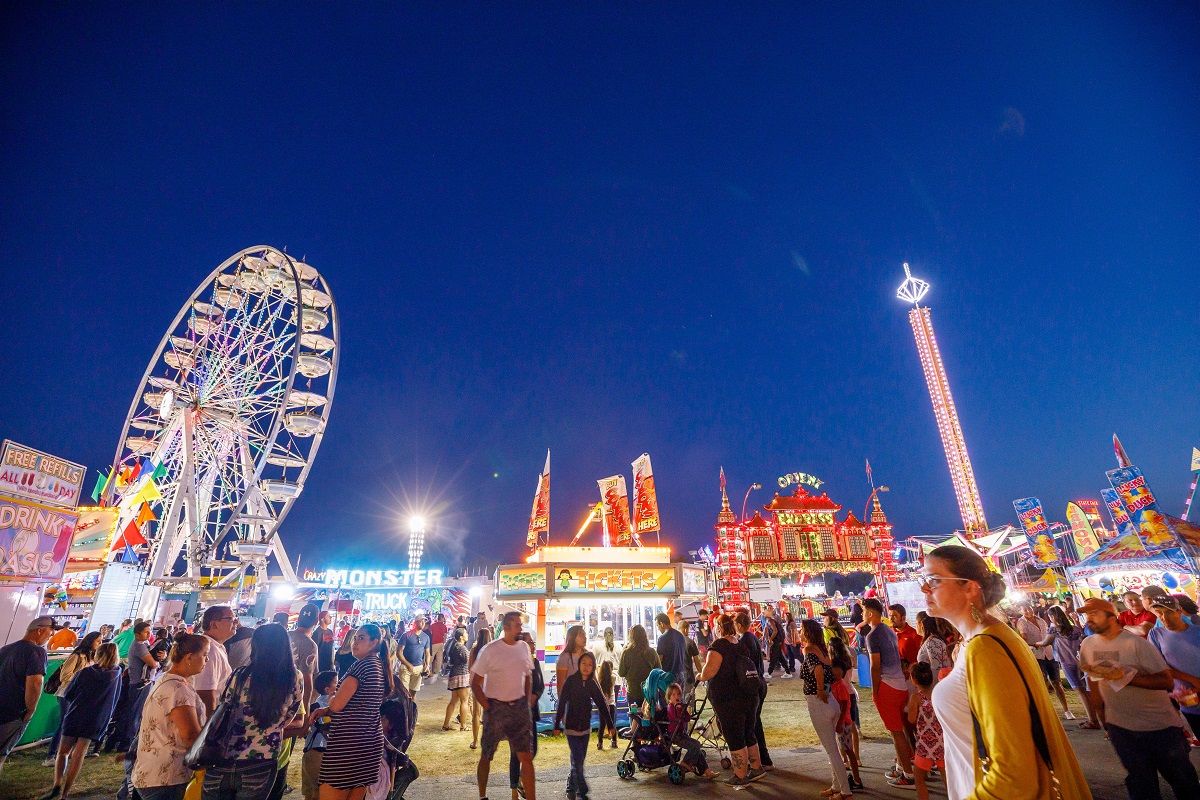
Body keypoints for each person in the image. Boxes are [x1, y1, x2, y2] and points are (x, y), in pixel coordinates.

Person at [922, 544, 1089, 800]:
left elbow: (1014, 776)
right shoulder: (984, 639)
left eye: (933, 580)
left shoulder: (986, 648)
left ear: (969, 587)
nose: (924, 588)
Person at [1077, 596, 1200, 799]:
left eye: (1094, 614)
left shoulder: (1135, 644)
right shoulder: (1088, 645)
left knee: (1184, 783)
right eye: (1087, 615)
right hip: (1121, 728)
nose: (1089, 619)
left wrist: (1125, 677)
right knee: (1141, 785)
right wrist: (1102, 717)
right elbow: (1093, 679)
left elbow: (1166, 682)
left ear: (1111, 617)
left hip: (1160, 728)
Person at [202, 624, 303, 800]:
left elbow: (224, 708)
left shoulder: (239, 675)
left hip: (223, 756)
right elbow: (288, 718)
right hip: (262, 758)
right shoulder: (294, 678)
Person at [132, 632, 210, 800]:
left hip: (153, 771)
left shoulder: (168, 680)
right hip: (168, 776)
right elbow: (190, 735)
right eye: (204, 655)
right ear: (189, 657)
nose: (207, 660)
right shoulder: (178, 689)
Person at [319, 624, 392, 800]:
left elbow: (337, 705)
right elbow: (360, 702)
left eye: (361, 638)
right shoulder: (378, 666)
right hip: (369, 744)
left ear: (374, 642)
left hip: (348, 746)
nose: (355, 642)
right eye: (355, 638)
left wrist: (331, 695)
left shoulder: (360, 667)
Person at [470, 611, 537, 800]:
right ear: (506, 628)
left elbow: (527, 674)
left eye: (520, 624)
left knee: (526, 756)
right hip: (496, 707)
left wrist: (525, 699)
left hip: (518, 708)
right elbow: (475, 682)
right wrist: (488, 706)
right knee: (487, 753)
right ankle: (482, 795)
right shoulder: (491, 650)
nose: (520, 628)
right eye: (517, 624)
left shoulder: (524, 647)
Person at [43, 641, 122, 800]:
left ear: (98, 655)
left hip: (76, 714)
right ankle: (65, 793)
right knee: (78, 755)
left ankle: (57, 785)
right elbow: (116, 698)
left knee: (63, 752)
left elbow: (69, 693)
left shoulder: (84, 673)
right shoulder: (117, 674)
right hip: (97, 719)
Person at [696, 613, 763, 786]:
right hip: (749, 695)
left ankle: (740, 775)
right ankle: (756, 768)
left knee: (735, 736)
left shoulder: (719, 646)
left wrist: (700, 676)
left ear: (718, 628)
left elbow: (709, 671)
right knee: (749, 733)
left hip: (729, 699)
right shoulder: (739, 644)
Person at [861, 598, 915, 788]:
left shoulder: (872, 635)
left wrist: (875, 690)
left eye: (863, 612)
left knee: (896, 732)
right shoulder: (889, 631)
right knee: (899, 730)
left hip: (888, 687)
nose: (861, 615)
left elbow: (875, 666)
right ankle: (902, 767)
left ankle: (909, 775)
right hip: (900, 685)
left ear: (870, 614)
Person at [800, 618, 851, 799]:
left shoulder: (809, 650)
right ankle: (836, 785)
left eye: (801, 629)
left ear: (807, 633)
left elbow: (818, 670)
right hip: (831, 703)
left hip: (818, 702)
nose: (799, 632)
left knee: (832, 750)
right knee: (833, 747)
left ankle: (845, 790)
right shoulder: (823, 650)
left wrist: (820, 689)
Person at [552, 651, 613, 800]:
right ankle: (582, 788)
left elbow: (602, 704)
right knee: (577, 758)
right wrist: (557, 725)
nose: (586, 667)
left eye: (590, 664)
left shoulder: (592, 683)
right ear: (579, 664)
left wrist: (610, 725)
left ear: (593, 667)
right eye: (583, 663)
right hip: (571, 728)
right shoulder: (571, 681)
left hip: (585, 729)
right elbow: (562, 703)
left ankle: (571, 787)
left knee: (578, 759)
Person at [0, 615, 54, 776]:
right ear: (40, 631)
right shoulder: (36, 652)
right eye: (49, 634)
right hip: (13, 713)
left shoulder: (5, 649)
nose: (49, 638)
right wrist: (30, 711)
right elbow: (35, 683)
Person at [43, 632, 101, 766]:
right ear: (90, 641)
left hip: (80, 695)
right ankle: (51, 755)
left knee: (71, 724)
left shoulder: (92, 658)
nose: (100, 644)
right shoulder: (77, 656)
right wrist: (81, 683)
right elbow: (65, 676)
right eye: (98, 641)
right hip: (67, 694)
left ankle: (62, 752)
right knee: (64, 723)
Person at [1147, 594, 1200, 738]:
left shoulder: (1197, 632)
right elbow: (1158, 666)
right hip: (1186, 696)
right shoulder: (1155, 634)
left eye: (1169, 612)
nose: (1164, 618)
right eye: (1159, 613)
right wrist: (1192, 680)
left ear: (1179, 611)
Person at [1015, 604, 1074, 719]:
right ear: (1021, 611)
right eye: (1025, 610)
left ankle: (1067, 710)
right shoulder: (1022, 622)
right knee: (1043, 682)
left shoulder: (1041, 620)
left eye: (1029, 608)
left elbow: (1049, 636)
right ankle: (1046, 711)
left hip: (1049, 654)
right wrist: (1029, 643)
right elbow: (1023, 637)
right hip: (1037, 655)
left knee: (1057, 682)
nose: (1028, 611)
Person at [1047, 605, 1099, 729]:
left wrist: (1033, 644)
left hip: (1067, 662)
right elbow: (1081, 638)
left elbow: (1046, 642)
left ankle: (1093, 720)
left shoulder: (1054, 630)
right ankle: (1095, 718)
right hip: (1080, 660)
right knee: (1087, 691)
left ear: (1052, 617)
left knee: (1079, 690)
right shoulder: (1074, 629)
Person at [733, 611, 772, 770]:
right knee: (755, 721)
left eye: (735, 624)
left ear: (740, 625)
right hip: (760, 682)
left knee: (753, 723)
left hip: (753, 685)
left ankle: (762, 759)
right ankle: (763, 758)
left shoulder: (744, 641)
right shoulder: (753, 638)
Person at [508, 631, 544, 800]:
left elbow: (540, 685)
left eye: (533, 642)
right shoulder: (512, 663)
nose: (533, 645)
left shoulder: (535, 662)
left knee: (533, 749)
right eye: (530, 642)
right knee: (515, 753)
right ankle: (514, 791)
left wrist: (535, 695)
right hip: (515, 714)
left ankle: (522, 777)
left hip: (531, 712)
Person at [828, 638, 862, 791]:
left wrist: (840, 723)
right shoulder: (846, 661)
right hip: (845, 715)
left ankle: (855, 776)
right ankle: (852, 767)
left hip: (843, 722)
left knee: (846, 746)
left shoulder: (840, 686)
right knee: (848, 740)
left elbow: (843, 706)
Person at [907, 662, 943, 800]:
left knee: (919, 778)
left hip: (924, 744)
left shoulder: (916, 698)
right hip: (940, 741)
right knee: (947, 779)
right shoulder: (937, 695)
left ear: (914, 680)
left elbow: (911, 719)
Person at [664, 683, 718, 778]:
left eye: (678, 694)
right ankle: (685, 762)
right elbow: (676, 719)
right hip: (675, 735)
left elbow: (687, 718)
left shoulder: (680, 706)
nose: (677, 697)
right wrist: (679, 710)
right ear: (669, 698)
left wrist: (683, 710)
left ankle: (707, 771)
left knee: (697, 747)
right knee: (695, 746)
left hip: (682, 734)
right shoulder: (671, 707)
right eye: (673, 695)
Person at [301, 671, 338, 800]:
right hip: (320, 754)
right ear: (327, 690)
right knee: (320, 792)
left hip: (311, 753)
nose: (339, 686)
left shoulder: (314, 705)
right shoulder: (322, 707)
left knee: (310, 792)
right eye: (336, 683)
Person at [195, 606, 236, 716]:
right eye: (230, 619)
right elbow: (205, 693)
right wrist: (210, 727)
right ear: (213, 624)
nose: (236, 622)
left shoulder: (217, 647)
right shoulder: (210, 649)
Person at [618, 625, 659, 708]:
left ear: (631, 637)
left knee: (634, 717)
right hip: (649, 691)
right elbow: (658, 671)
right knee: (649, 716)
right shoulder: (652, 652)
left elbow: (621, 673)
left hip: (633, 691)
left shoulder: (626, 652)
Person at [468, 627, 493, 750]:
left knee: (476, 714)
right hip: (490, 683)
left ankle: (475, 740)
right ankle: (489, 740)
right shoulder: (492, 650)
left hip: (477, 683)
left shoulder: (474, 650)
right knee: (489, 712)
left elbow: (470, 668)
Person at [444, 628, 473, 731]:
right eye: (465, 633)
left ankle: (446, 724)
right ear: (461, 637)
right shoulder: (461, 648)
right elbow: (468, 660)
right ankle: (463, 725)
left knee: (453, 701)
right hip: (462, 675)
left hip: (454, 674)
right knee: (464, 701)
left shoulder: (454, 646)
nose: (467, 634)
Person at [291, 603, 321, 705]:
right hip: (292, 697)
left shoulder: (285, 635)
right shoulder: (310, 645)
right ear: (317, 621)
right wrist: (306, 710)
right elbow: (307, 683)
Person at [396, 617, 432, 695]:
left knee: (413, 692)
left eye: (424, 621)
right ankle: (404, 706)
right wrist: (407, 664)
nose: (423, 623)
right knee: (404, 692)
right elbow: (399, 652)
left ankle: (412, 706)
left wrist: (427, 665)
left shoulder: (426, 637)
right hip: (405, 667)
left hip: (418, 667)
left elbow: (427, 652)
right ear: (415, 623)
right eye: (421, 621)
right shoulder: (406, 635)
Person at [916, 615, 952, 683]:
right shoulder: (932, 641)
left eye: (916, 623)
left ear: (922, 625)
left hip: (938, 684)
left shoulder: (932, 642)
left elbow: (936, 669)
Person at [762, 606, 791, 677]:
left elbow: (775, 631)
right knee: (780, 657)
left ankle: (769, 672)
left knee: (774, 656)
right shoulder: (769, 620)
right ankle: (787, 672)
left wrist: (770, 638)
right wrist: (764, 637)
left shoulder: (770, 621)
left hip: (776, 640)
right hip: (778, 640)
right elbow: (766, 629)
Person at [429, 614, 448, 679]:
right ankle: (436, 672)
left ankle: (427, 670)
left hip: (433, 643)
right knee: (439, 658)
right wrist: (443, 642)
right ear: (441, 618)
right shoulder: (444, 626)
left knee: (431, 657)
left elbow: (430, 634)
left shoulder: (433, 625)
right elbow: (445, 635)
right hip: (441, 643)